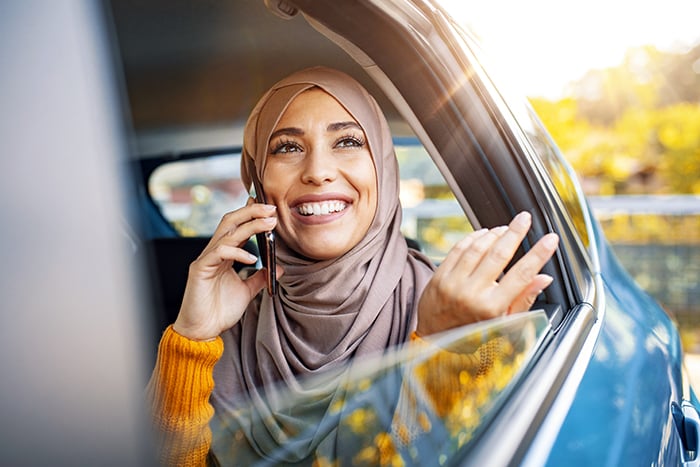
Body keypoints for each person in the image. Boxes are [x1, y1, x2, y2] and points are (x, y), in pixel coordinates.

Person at [147, 66, 559, 466]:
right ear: (257, 183)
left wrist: (442, 352)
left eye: (347, 141)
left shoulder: (454, 306)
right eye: (288, 147)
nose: (318, 172)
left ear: (383, 166)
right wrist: (191, 338)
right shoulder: (224, 326)